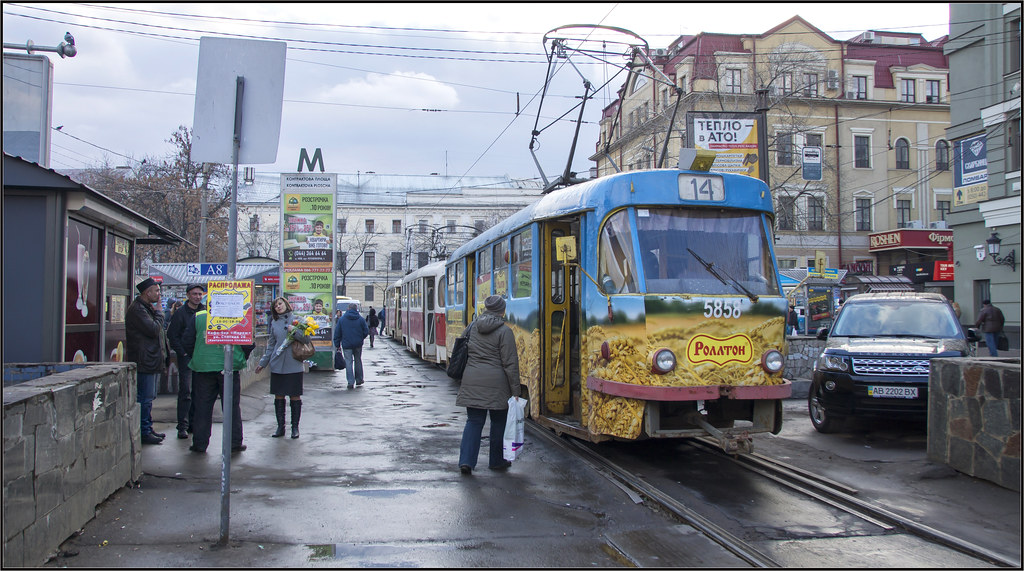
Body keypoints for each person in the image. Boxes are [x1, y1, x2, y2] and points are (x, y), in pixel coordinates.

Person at [456, 295, 521, 475]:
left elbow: (462, 350)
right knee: (498, 422)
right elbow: (510, 363)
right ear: (502, 311)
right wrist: (516, 390)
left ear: (486, 309)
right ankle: (497, 461)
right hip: (497, 384)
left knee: (474, 421)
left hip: (472, 381)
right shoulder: (505, 332)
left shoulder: (472, 327)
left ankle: (466, 462)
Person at [183, 302, 253, 453]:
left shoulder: (199, 316)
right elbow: (248, 342)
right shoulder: (236, 317)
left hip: (203, 367)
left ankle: (199, 444)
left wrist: (198, 355)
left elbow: (187, 341)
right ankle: (234, 443)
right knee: (231, 406)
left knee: (202, 407)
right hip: (229, 367)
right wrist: (240, 358)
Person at [255, 297, 310, 439]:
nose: (278, 307)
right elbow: (271, 345)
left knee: (294, 395)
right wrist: (263, 363)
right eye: (275, 306)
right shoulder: (273, 322)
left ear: (286, 304)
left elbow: (306, 339)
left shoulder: (298, 319)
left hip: (294, 363)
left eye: (280, 304)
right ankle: (280, 427)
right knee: (279, 395)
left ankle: (295, 428)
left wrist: (295, 330)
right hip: (277, 364)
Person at [125, 277, 170, 445]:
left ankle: (147, 427)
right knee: (144, 398)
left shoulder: (145, 308)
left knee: (148, 398)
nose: (159, 294)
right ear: (147, 292)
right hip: (144, 361)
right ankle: (143, 430)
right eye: (156, 291)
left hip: (151, 360)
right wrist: (160, 313)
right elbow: (153, 329)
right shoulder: (138, 310)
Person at [166, 283, 206, 440]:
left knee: (199, 392)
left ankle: (193, 424)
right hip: (187, 357)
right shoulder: (181, 313)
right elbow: (172, 335)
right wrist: (182, 353)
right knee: (186, 391)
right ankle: (182, 425)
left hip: (201, 356)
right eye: (194, 294)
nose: (197, 296)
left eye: (200, 294)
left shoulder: (205, 311)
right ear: (188, 295)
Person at [334, 303, 369, 389]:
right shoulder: (360, 319)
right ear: (356, 309)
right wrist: (361, 338)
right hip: (358, 344)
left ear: (348, 309)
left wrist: (337, 344)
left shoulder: (342, 319)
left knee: (348, 362)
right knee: (358, 361)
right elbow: (366, 331)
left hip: (346, 345)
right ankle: (359, 379)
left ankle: (350, 382)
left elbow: (337, 333)